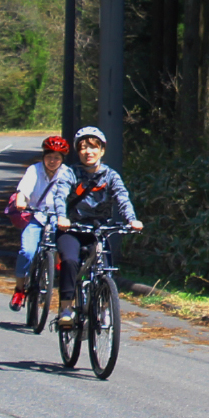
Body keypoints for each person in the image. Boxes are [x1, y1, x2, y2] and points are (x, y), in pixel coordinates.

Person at [50, 126, 143, 328]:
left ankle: (104, 308)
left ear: (102, 150)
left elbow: (122, 198)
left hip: (98, 231)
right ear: (78, 151)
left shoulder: (110, 176)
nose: (88, 152)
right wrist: (61, 217)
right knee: (70, 260)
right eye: (83, 148)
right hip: (71, 229)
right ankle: (66, 308)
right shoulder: (70, 173)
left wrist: (132, 220)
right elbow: (60, 195)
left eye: (93, 147)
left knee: (105, 267)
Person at [8, 135, 73, 312]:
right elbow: (23, 190)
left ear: (62, 159)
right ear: (43, 156)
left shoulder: (68, 173)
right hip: (35, 216)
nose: (52, 161)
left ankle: (53, 270)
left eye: (57, 157)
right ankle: (20, 289)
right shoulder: (34, 170)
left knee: (69, 251)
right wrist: (21, 202)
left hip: (58, 218)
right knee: (27, 251)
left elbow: (74, 195)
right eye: (49, 156)